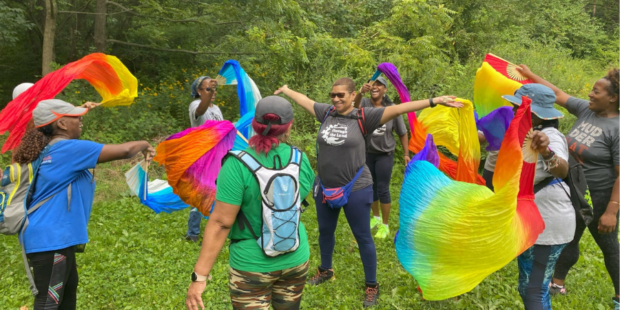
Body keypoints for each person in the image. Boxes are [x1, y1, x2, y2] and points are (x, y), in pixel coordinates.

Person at [274, 78, 461, 307]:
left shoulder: (364, 116)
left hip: (356, 187)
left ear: (353, 96)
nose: (336, 99)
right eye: (333, 94)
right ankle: (325, 270)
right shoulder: (327, 113)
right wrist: (286, 90)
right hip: (324, 186)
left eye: (341, 95)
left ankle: (371, 284)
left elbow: (398, 109)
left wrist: (435, 101)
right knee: (325, 231)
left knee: (363, 236)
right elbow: (306, 101)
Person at [15, 99, 155, 310]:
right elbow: (126, 150)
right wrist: (145, 143)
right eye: (76, 117)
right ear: (61, 124)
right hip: (52, 239)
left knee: (66, 297)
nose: (81, 120)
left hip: (54, 238)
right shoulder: (68, 149)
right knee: (49, 303)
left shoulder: (46, 149)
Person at [185, 96, 315, 310]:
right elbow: (296, 200)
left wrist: (199, 277)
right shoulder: (299, 159)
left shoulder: (236, 165)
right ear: (289, 127)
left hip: (251, 266)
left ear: (254, 125)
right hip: (296, 258)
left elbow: (221, 223)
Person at [518, 66, 619, 307]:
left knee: (608, 245)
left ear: (613, 98)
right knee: (569, 238)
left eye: (596, 91)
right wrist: (530, 76)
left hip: (600, 196)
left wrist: (611, 210)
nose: (590, 95)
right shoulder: (587, 110)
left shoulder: (617, 128)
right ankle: (557, 283)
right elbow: (557, 94)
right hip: (572, 190)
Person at [502, 84, 574, 310]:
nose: (513, 110)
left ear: (532, 112)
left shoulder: (550, 136)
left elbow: (562, 170)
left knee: (534, 289)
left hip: (548, 225)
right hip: (532, 221)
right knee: (529, 286)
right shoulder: (525, 133)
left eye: (517, 106)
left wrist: (546, 151)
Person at [353, 77, 408, 239]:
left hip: (385, 155)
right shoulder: (365, 104)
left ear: (385, 90)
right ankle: (375, 217)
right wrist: (360, 93)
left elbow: (402, 133)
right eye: (373, 84)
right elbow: (355, 107)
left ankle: (385, 224)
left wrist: (406, 154)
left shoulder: (391, 109)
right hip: (368, 154)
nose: (375, 87)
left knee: (383, 188)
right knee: (371, 186)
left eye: (379, 85)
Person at [186, 76, 222, 243]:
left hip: (217, 155)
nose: (212, 92)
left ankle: (214, 228)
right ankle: (192, 233)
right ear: (199, 91)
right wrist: (208, 93)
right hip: (201, 155)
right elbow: (201, 110)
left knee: (216, 191)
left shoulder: (217, 109)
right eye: (207, 88)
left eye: (213, 88)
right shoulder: (196, 105)